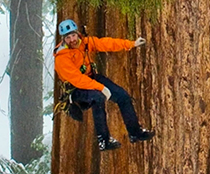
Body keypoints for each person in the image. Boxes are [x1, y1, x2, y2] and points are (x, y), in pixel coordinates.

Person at [54, 19, 154, 151]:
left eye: (73, 35)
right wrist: (101, 88)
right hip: (75, 89)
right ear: (64, 40)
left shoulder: (85, 43)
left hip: (91, 78)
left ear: (77, 33)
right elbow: (77, 79)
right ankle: (103, 140)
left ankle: (135, 132)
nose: (72, 40)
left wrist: (131, 44)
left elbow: (105, 43)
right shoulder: (62, 58)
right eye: (68, 37)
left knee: (122, 96)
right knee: (98, 98)